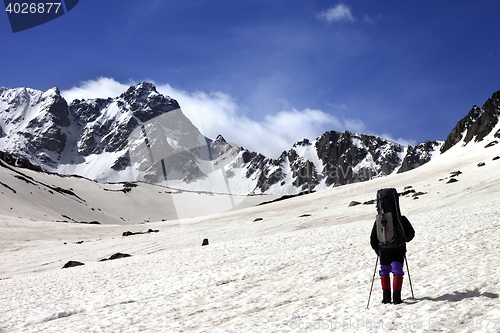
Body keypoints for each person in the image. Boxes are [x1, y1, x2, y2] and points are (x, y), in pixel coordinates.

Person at [370, 213, 414, 304]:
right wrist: (402, 240)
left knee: (384, 271)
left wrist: (378, 250)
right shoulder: (401, 219)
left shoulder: (379, 220)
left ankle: (386, 298)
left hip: (383, 250)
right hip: (398, 249)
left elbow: (373, 239)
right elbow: (411, 234)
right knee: (397, 271)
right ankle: (397, 298)